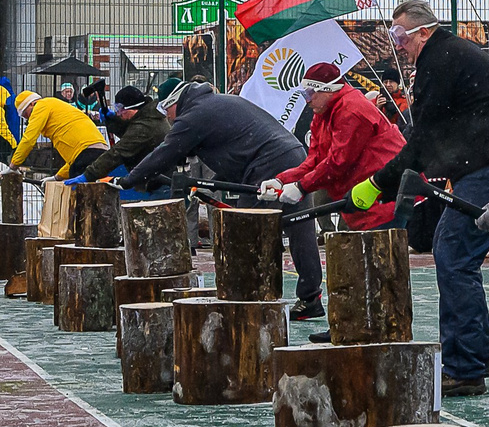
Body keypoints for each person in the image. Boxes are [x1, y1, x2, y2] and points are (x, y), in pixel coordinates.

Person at [348, 0, 489, 396]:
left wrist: (378, 182)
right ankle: (477, 354)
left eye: (401, 35)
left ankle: (465, 367)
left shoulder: (440, 60)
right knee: (455, 253)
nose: (398, 44)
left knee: (453, 254)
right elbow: (433, 134)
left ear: (423, 32)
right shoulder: (448, 56)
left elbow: (424, 137)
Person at [126, 80, 323, 317]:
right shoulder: (215, 103)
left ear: (175, 102)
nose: (166, 117)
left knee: (247, 232)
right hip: (292, 155)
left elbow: (166, 152)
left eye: (165, 109)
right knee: (300, 227)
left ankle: (251, 299)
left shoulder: (194, 115)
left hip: (267, 165)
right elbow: (233, 145)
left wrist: (129, 179)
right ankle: (310, 297)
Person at [263, 61, 406, 228]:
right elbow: (315, 159)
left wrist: (301, 187)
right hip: (365, 200)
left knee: (382, 243)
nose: (307, 101)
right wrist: (281, 180)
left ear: (328, 90)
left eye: (309, 93)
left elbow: (339, 162)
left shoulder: (351, 110)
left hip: (385, 200)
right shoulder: (323, 112)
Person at [4, 87, 110, 180]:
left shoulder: (41, 105)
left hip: (87, 154)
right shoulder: (57, 109)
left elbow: (29, 139)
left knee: (80, 193)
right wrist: (57, 177)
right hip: (101, 153)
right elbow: (75, 158)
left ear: (32, 103)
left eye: (26, 114)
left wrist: (13, 166)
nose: (28, 119)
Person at [79, 85, 170, 185]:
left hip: (160, 183)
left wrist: (88, 175)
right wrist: (113, 120)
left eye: (120, 109)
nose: (118, 113)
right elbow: (130, 131)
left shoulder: (145, 126)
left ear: (132, 108)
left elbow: (118, 152)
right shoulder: (148, 116)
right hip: (157, 177)